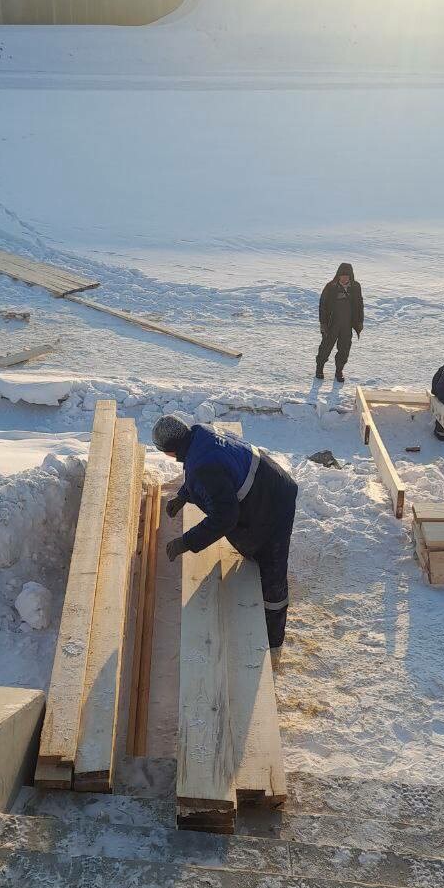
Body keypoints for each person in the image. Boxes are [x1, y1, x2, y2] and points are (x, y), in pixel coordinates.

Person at [153, 416, 298, 666]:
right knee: (252, 543)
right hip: (267, 481)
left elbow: (224, 518)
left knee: (272, 570)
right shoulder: (199, 435)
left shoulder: (203, 467)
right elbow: (212, 470)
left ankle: (274, 641)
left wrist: (186, 542)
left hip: (274, 501)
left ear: (168, 451)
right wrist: (184, 495)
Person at [317, 262, 363, 383]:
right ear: (338, 275)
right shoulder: (331, 286)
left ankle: (339, 371)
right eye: (342, 276)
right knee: (326, 347)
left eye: (347, 276)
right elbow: (322, 306)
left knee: (344, 349)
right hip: (332, 324)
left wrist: (359, 322)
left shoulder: (356, 287)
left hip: (347, 324)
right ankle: (319, 368)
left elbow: (359, 305)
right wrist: (323, 323)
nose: (344, 278)